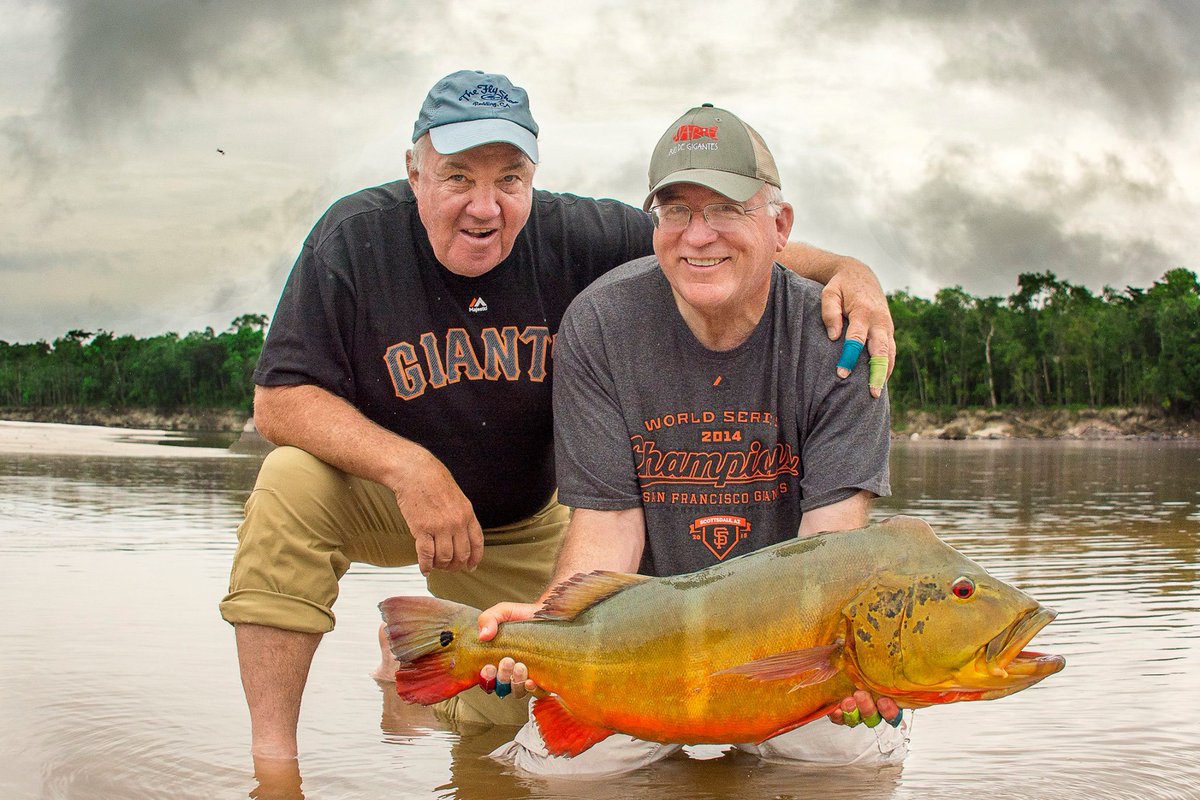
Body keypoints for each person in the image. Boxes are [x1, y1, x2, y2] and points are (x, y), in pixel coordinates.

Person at [219, 69, 895, 762]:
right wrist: (409, 468)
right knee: (289, 486)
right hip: (390, 496)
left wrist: (852, 271)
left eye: (510, 179)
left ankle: (412, 668)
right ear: (415, 172)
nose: (485, 206)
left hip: (516, 519)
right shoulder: (354, 238)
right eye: (458, 177)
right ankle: (273, 766)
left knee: (500, 719)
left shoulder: (585, 235)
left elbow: (719, 249)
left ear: (532, 179)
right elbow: (278, 399)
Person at [478, 103, 906, 775]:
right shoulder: (599, 324)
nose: (697, 236)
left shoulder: (843, 339)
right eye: (676, 210)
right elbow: (608, 529)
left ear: (780, 226)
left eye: (726, 208)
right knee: (556, 776)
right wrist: (546, 631)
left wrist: (846, 665)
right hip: (636, 649)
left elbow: (833, 556)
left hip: (786, 660)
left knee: (854, 767)